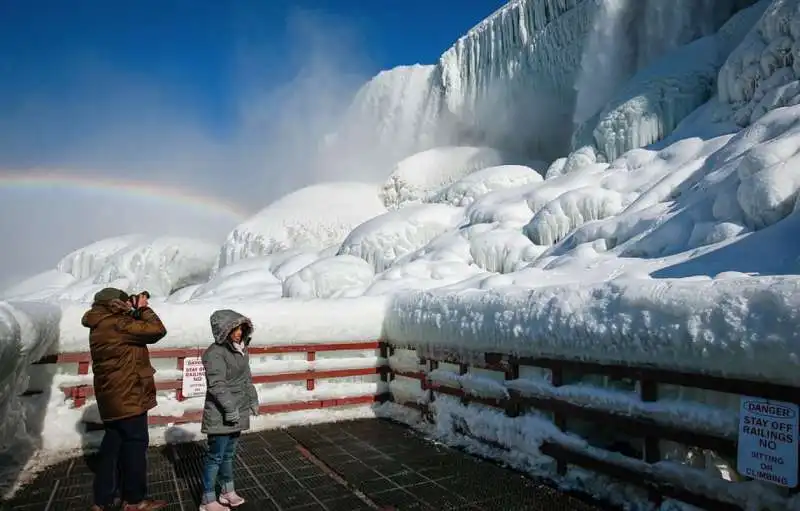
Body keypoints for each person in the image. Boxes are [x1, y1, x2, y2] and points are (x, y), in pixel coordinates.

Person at [83, 288, 168, 511]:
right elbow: (157, 330)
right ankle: (134, 501)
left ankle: (102, 500)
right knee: (134, 447)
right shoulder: (118, 325)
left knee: (112, 447)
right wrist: (143, 309)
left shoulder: (100, 324)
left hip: (111, 397)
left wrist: (131, 311)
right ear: (115, 304)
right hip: (128, 396)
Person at [199, 309, 259, 511]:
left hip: (238, 409)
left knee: (229, 454)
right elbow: (217, 385)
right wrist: (230, 408)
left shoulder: (240, 349)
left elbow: (246, 379)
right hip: (220, 413)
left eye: (240, 328)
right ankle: (207, 500)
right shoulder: (215, 353)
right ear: (223, 330)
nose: (239, 332)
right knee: (215, 456)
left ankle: (227, 491)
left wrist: (252, 399)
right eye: (234, 328)